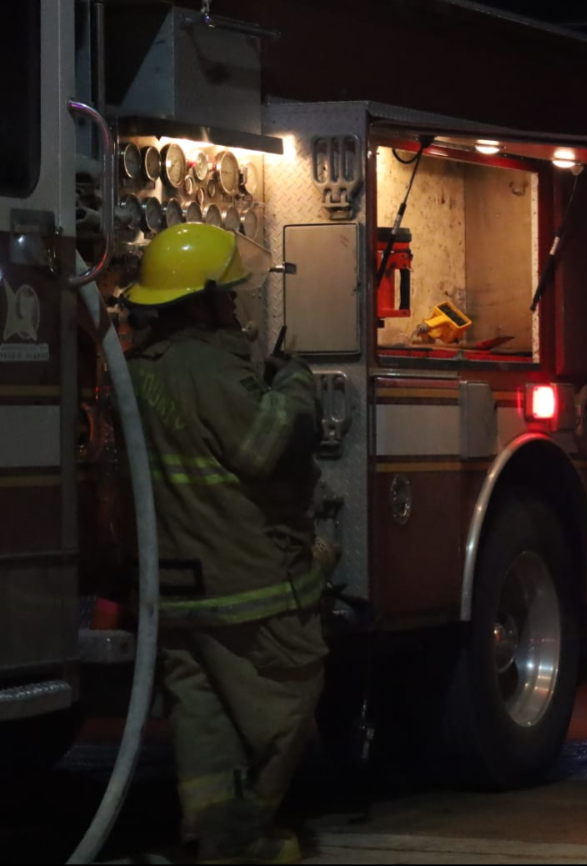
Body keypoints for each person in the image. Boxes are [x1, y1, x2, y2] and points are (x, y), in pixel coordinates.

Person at [122, 224, 333, 864]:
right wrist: (294, 382)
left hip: (177, 591)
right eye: (231, 298)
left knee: (204, 719)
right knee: (287, 703)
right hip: (250, 586)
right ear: (203, 300)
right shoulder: (209, 365)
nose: (238, 311)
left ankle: (217, 837)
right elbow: (266, 446)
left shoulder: (137, 370)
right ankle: (243, 837)